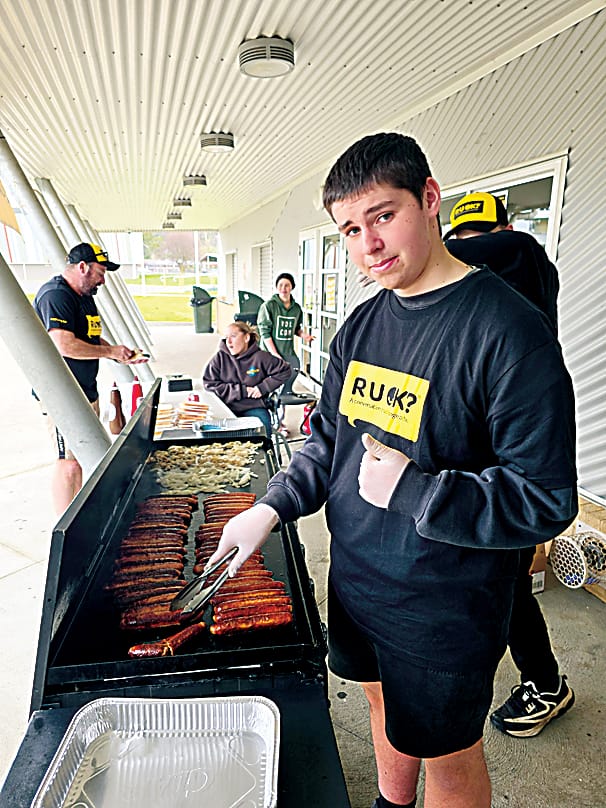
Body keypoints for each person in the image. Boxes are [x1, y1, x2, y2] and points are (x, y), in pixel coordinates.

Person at [208, 133, 577, 808]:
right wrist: (271, 506)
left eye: (383, 215)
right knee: (380, 703)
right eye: (350, 229)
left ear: (429, 199)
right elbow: (329, 441)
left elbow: (545, 498)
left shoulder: (508, 333)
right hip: (356, 579)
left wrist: (417, 491)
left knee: (449, 758)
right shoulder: (361, 326)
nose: (368, 245)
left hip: (443, 602)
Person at [444, 191, 574, 737]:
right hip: (482, 454)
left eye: (482, 237)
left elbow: (511, 248)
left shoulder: (523, 260)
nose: (472, 249)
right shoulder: (480, 287)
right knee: (497, 580)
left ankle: (546, 684)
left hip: (516, 464)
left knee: (509, 584)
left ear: (502, 230)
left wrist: (427, 250)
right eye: (463, 238)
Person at [33, 242, 148, 514]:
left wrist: (119, 354)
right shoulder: (55, 295)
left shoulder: (85, 296)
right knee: (68, 462)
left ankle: (77, 515)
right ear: (83, 267)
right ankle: (64, 526)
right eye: (100, 272)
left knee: (82, 457)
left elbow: (90, 338)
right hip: (62, 394)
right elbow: (64, 344)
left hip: (85, 389)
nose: (103, 280)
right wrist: (109, 352)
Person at [202, 320, 291, 436]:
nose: (228, 342)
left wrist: (263, 388)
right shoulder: (219, 358)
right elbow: (209, 384)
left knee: (263, 434)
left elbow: (285, 370)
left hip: (254, 407)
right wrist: (242, 391)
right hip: (225, 407)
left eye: (233, 336)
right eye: (226, 337)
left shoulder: (261, 357)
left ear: (246, 338)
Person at [257, 272, 314, 399]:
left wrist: (304, 335)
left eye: (287, 285)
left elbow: (295, 328)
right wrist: (274, 354)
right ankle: (268, 401)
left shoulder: (296, 309)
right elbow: (265, 333)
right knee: (271, 382)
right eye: (281, 285)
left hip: (287, 351)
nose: (283, 288)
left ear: (292, 287)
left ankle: (283, 400)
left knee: (294, 368)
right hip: (269, 352)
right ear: (276, 287)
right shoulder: (268, 306)